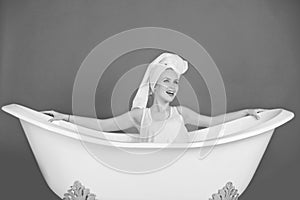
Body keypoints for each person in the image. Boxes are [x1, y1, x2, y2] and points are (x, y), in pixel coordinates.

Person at [42, 52, 266, 143]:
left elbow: (213, 122)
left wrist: (245, 112)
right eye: (166, 81)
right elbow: (102, 125)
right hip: (157, 177)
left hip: (187, 174)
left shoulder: (182, 113)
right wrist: (65, 117)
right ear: (154, 86)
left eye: (176, 81)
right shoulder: (139, 116)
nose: (172, 86)